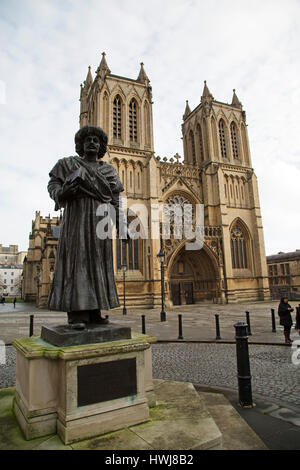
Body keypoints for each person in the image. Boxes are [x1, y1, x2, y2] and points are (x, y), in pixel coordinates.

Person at [47, 125, 127, 328]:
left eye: (96, 140)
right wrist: (62, 193)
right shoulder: (68, 164)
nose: (92, 142)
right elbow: (53, 184)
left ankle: (94, 311)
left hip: (101, 221)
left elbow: (116, 201)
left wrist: (122, 226)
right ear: (80, 144)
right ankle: (76, 314)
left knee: (99, 263)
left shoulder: (108, 170)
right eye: (88, 139)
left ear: (101, 146)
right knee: (78, 262)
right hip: (77, 219)